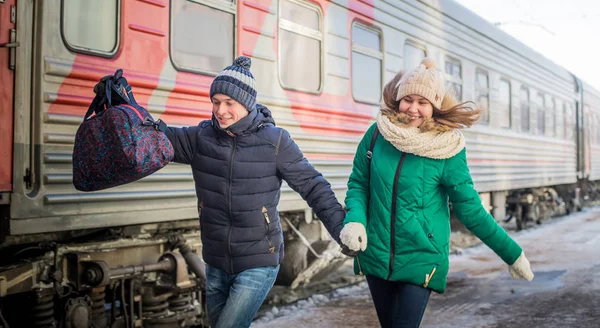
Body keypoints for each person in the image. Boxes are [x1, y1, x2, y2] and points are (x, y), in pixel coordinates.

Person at [339, 58, 534, 328]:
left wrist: (512, 253)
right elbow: (359, 183)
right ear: (398, 100)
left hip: (423, 255)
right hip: (377, 255)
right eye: (408, 100)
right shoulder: (377, 135)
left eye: (423, 102)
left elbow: (471, 210)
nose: (414, 109)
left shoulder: (446, 149)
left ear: (434, 106)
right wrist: (356, 220)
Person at [164, 56, 346, 328]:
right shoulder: (200, 139)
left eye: (229, 103)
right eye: (215, 102)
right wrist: (124, 107)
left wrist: (341, 230)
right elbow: (156, 139)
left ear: (247, 103)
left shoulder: (275, 142)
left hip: (258, 261)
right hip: (215, 261)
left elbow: (313, 186)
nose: (220, 110)